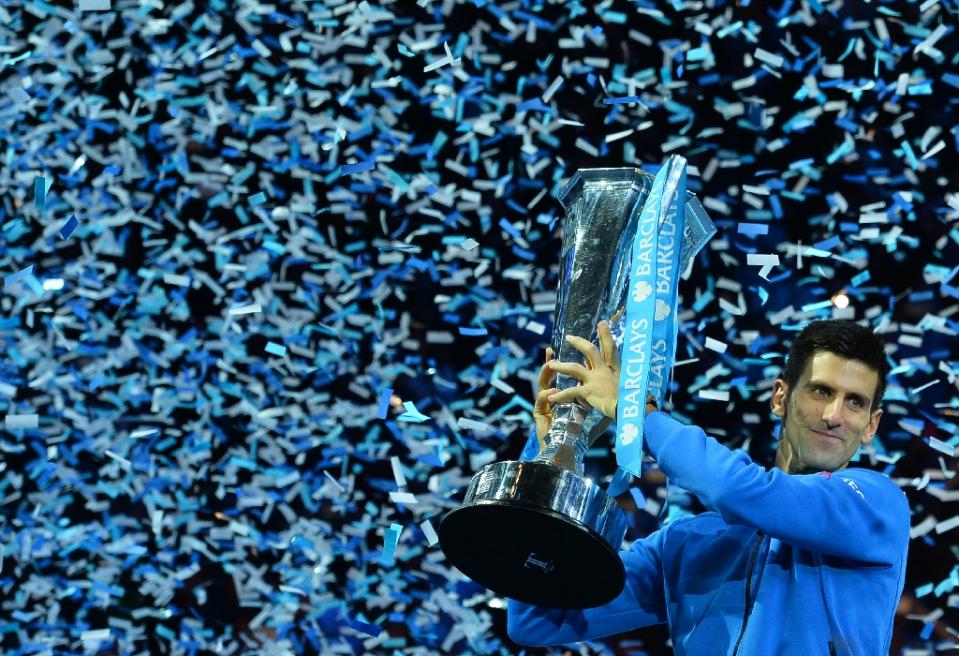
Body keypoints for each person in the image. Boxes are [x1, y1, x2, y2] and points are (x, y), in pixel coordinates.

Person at [508, 319, 909, 656]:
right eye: (821, 391)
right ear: (781, 396)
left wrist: (634, 413)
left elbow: (740, 490)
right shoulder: (686, 542)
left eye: (855, 402)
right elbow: (540, 620)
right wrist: (549, 467)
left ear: (872, 425)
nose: (834, 415)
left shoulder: (875, 505)